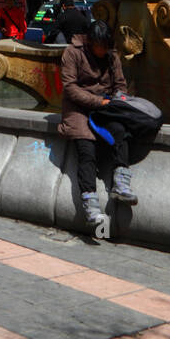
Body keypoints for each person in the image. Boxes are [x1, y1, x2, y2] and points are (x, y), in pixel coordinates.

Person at [59, 18, 139, 224]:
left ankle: (121, 184)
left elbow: (120, 84)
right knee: (86, 148)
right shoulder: (72, 52)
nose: (102, 51)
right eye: (99, 47)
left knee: (120, 131)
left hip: (106, 106)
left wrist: (118, 99)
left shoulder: (112, 55)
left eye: (105, 46)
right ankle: (91, 205)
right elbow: (70, 87)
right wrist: (98, 101)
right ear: (89, 41)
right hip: (78, 108)